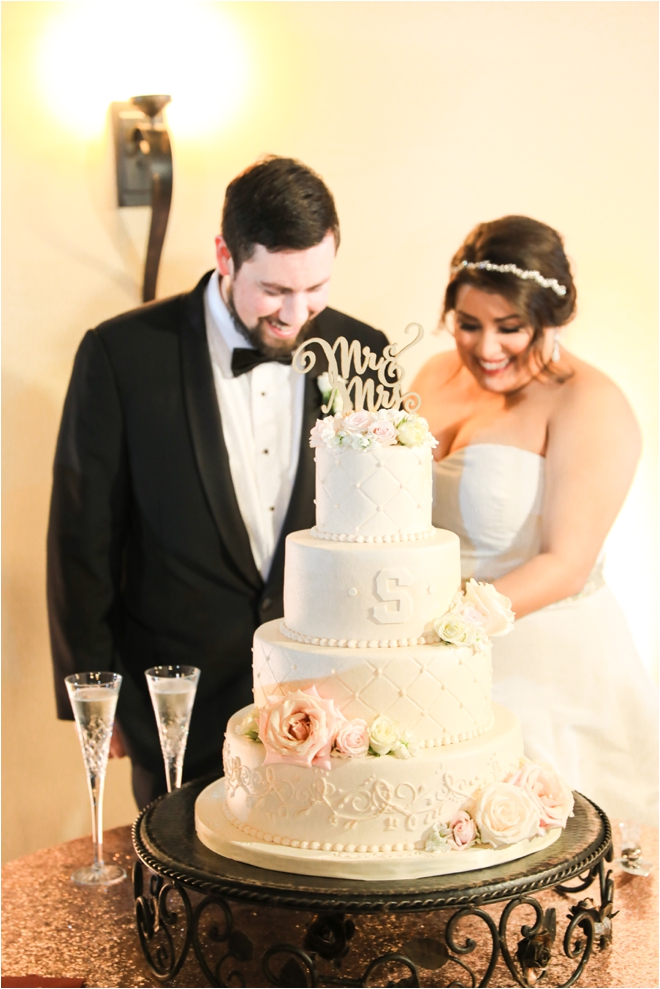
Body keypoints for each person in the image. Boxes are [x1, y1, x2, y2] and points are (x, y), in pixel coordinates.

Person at [48, 156, 388, 808]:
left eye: (315, 286)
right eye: (274, 290)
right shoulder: (122, 355)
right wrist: (97, 692)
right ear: (225, 256)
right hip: (177, 703)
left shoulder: (363, 352)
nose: (297, 313)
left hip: (334, 702)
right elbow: (81, 537)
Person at [413, 215, 658, 825]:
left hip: (541, 665)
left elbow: (566, 564)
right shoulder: (433, 376)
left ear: (549, 319)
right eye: (468, 325)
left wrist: (448, 632)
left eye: (509, 328)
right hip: (424, 661)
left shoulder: (590, 402)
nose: (485, 348)